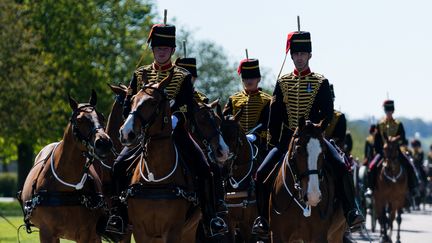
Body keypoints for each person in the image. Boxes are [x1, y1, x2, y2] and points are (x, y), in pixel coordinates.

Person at [107, 23, 228, 237]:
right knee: (117, 166)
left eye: (165, 48)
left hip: (175, 131)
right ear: (152, 49)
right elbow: (128, 105)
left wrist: (174, 117)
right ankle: (118, 215)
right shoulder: (140, 73)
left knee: (205, 168)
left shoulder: (181, 76)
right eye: (157, 47)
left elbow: (189, 106)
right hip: (143, 136)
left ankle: (211, 217)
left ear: (172, 51)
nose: (161, 51)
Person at [251, 30, 364, 239]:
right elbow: (274, 117)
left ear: (310, 55)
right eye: (296, 54)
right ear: (291, 56)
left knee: (342, 166)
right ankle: (263, 220)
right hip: (288, 139)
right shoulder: (283, 82)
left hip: (315, 138)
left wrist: (317, 127)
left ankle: (351, 211)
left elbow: (328, 112)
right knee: (260, 174)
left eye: (304, 53)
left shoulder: (320, 81)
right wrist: (274, 142)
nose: (300, 57)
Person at [369, 100, 419, 196]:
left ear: (393, 111)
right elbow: (377, 141)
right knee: (371, 167)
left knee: (409, 165)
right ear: (385, 111)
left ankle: (412, 188)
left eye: (390, 110)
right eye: (387, 110)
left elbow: (403, 140)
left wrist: (395, 142)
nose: (388, 112)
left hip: (396, 151)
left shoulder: (398, 124)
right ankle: (371, 188)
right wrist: (382, 150)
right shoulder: (380, 125)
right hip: (383, 152)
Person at [223, 58, 271, 156]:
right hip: (235, 143)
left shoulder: (267, 100)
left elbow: (267, 123)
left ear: (259, 79)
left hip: (259, 144)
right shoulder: (233, 99)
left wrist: (256, 136)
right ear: (242, 79)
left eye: (252, 78)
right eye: (246, 78)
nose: (249, 81)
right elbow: (224, 120)